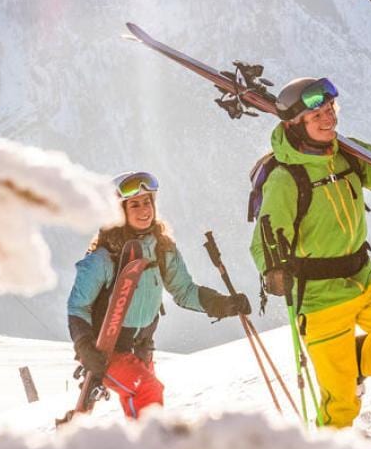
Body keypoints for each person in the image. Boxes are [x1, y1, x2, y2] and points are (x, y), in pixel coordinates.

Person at [248, 75, 371, 428]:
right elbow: (265, 236)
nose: (329, 119)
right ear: (295, 125)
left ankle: (354, 363)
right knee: (341, 406)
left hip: (363, 278)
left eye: (331, 109)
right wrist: (273, 269)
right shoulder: (286, 176)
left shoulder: (347, 151)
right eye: (317, 116)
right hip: (319, 300)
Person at [66, 170, 251, 418]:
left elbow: (185, 292)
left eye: (147, 202)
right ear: (119, 211)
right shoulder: (104, 258)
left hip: (143, 347)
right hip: (106, 352)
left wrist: (223, 304)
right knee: (148, 392)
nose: (144, 210)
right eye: (135, 205)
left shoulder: (162, 248)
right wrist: (84, 346)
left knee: (151, 407)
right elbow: (78, 307)